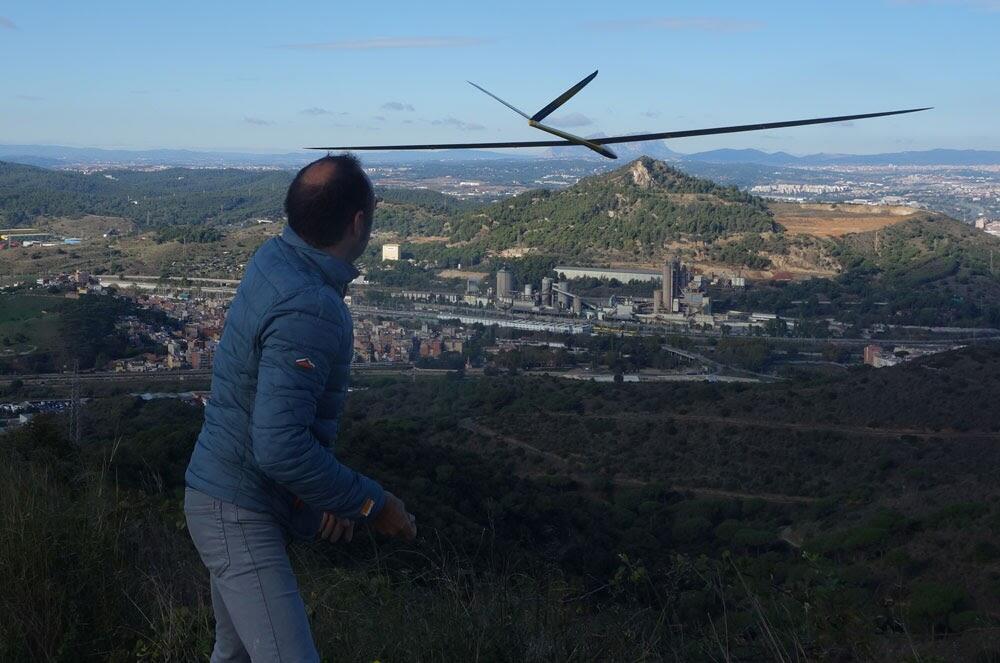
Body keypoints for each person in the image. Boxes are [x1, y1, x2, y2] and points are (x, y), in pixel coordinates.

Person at [183, 154, 416, 662]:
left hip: (223, 490)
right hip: (238, 508)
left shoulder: (273, 259)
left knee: (234, 654)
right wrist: (371, 504)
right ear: (358, 223)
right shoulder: (311, 305)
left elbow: (270, 417)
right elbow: (279, 445)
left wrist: (321, 497)